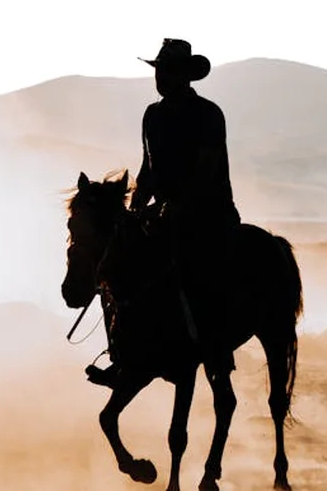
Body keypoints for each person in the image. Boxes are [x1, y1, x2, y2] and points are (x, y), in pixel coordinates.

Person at [85, 38, 241, 389]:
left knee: (198, 269)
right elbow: (148, 168)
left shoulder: (208, 115)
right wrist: (138, 204)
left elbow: (207, 168)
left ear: (185, 75)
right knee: (119, 263)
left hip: (209, 211)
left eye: (167, 71)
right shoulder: (152, 115)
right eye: (159, 71)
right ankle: (124, 354)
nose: (161, 78)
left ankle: (215, 346)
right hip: (165, 212)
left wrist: (178, 203)